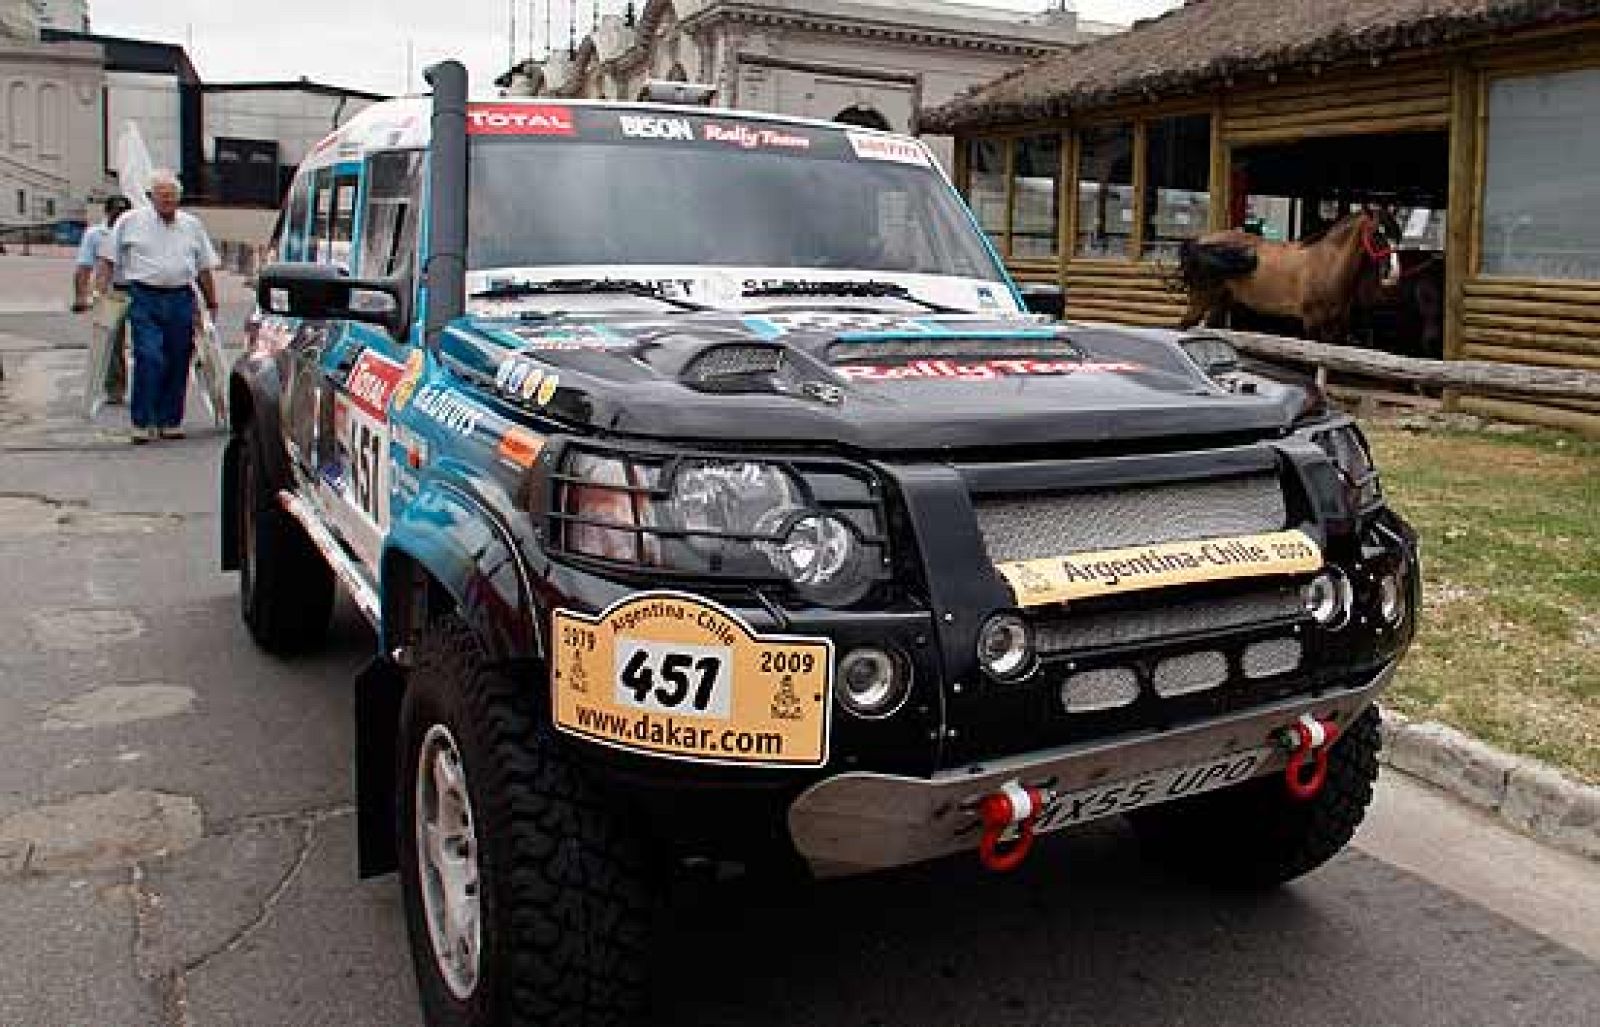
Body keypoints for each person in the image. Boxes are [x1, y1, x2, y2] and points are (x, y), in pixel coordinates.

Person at [95, 170, 221, 444]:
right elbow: (107, 259)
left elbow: (204, 267)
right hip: (143, 296)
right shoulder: (130, 222)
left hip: (180, 297)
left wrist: (211, 301)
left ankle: (169, 419)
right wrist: (100, 293)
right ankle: (142, 420)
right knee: (149, 356)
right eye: (162, 197)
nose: (168, 203)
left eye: (172, 198)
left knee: (178, 358)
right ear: (151, 197)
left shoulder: (192, 225)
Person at [73, 195, 134, 404]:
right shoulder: (95, 235)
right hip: (111, 290)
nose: (120, 218)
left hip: (138, 289)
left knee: (145, 340)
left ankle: (148, 386)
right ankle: (115, 388)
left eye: (124, 213)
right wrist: (81, 296)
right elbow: (83, 266)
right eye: (116, 213)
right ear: (107, 213)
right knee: (112, 340)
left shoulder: (137, 231)